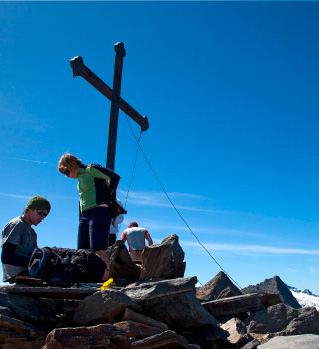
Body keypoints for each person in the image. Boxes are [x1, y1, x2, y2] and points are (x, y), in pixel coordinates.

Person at [58, 153, 121, 279]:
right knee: (82, 250)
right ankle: (87, 278)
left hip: (98, 211)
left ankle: (105, 279)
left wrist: (108, 195)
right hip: (85, 215)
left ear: (72, 165)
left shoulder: (90, 170)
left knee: (99, 248)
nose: (67, 176)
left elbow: (114, 177)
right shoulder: (80, 178)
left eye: (67, 172)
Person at [1, 196, 51, 283]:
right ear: (29, 209)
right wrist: (35, 264)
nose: (42, 217)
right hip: (18, 274)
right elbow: (7, 257)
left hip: (30, 271)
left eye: (45, 215)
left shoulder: (32, 232)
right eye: (40, 212)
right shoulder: (17, 224)